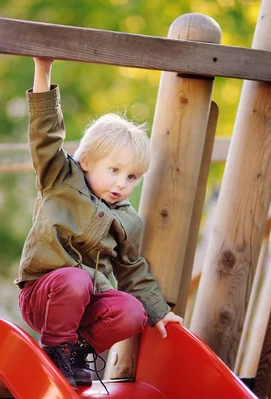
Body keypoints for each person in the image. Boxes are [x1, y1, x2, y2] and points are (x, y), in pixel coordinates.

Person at [15, 57, 183, 390]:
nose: (122, 183)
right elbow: (45, 135)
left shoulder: (127, 219)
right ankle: (55, 348)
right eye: (115, 170)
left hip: (87, 307)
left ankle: (75, 351)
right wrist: (43, 70)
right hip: (43, 298)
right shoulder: (60, 178)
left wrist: (159, 311)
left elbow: (132, 269)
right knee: (76, 280)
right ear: (87, 161)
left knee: (131, 313)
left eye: (132, 176)